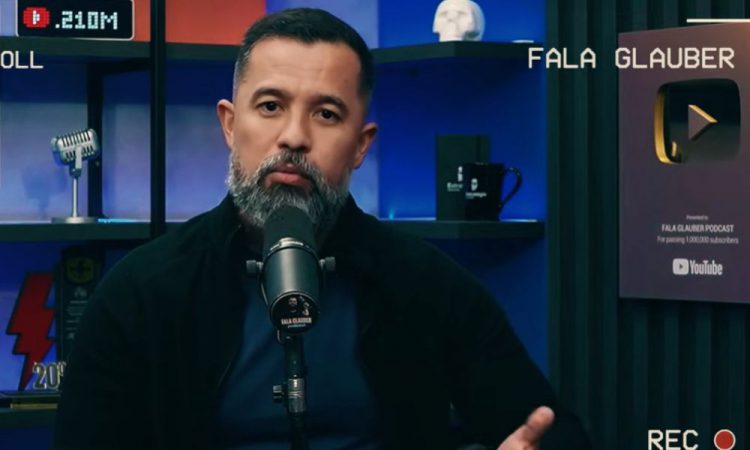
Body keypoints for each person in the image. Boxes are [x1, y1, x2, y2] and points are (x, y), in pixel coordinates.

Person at [54, 8, 590, 450]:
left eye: (327, 114)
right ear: (230, 124)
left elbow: (551, 430)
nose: (294, 136)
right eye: (270, 106)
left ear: (361, 144)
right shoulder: (143, 291)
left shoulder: (426, 284)